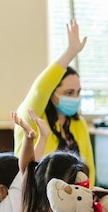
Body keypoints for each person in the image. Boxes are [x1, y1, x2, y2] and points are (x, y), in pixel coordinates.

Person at [14, 19, 95, 186]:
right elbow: (39, 90)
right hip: (39, 199)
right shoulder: (32, 118)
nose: (75, 98)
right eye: (68, 92)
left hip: (75, 202)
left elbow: (89, 170)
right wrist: (70, 52)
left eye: (78, 92)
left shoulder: (78, 124)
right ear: (51, 94)